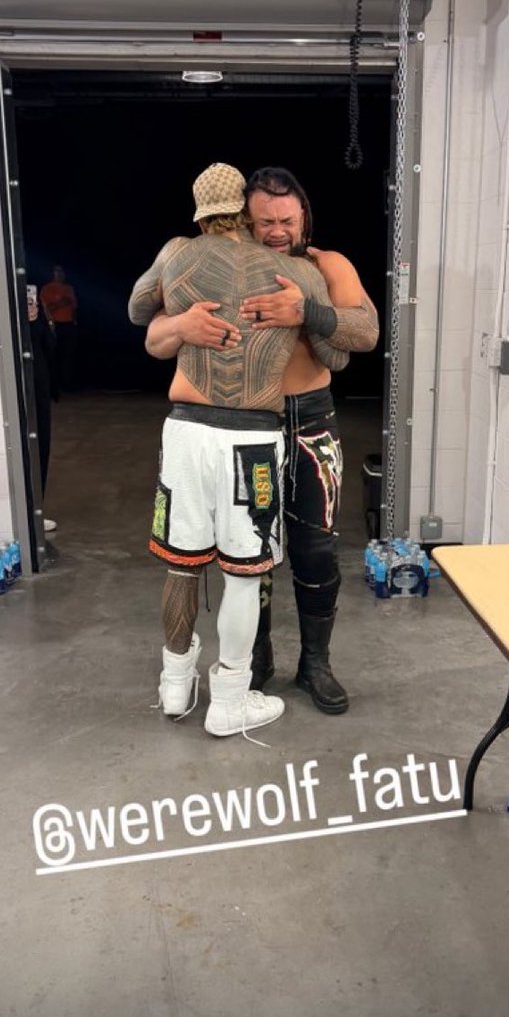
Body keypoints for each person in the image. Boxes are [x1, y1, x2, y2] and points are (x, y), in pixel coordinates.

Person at [146, 168, 379, 716]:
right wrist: (182, 326)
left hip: (311, 421)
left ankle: (316, 662)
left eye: (286, 220)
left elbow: (366, 333)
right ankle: (254, 659)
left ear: (304, 217)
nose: (276, 230)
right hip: (247, 426)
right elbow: (152, 334)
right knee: (249, 555)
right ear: (243, 220)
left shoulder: (325, 265)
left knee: (316, 549)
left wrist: (307, 312)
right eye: (264, 221)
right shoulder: (217, 264)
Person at [27, 286, 59, 533]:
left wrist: (40, 320)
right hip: (17, 389)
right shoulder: (7, 315)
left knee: (41, 448)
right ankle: (24, 512)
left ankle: (36, 510)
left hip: (39, 388)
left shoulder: (37, 313)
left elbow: (50, 345)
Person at [40, 264, 78, 390]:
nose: (60, 274)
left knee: (68, 356)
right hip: (54, 325)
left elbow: (74, 306)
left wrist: (74, 320)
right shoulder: (47, 289)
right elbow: (45, 309)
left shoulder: (69, 288)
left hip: (69, 324)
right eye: (57, 271)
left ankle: (68, 384)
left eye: (62, 271)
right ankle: (54, 386)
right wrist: (60, 303)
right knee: (54, 356)